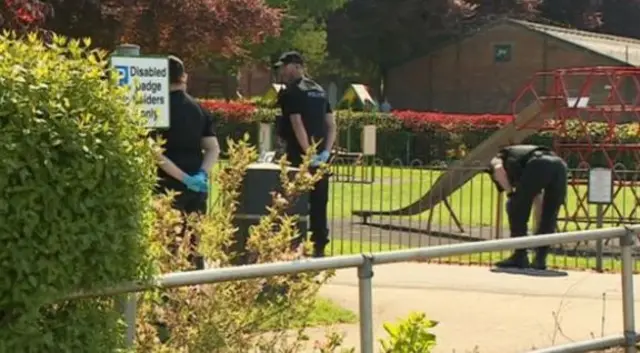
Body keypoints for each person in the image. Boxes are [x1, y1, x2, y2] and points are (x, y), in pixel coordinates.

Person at [152, 55, 220, 270]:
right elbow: (213, 148)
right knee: (194, 244)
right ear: (184, 77)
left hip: (166, 186)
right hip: (197, 189)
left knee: (168, 243)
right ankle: (194, 291)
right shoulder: (199, 109)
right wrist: (200, 174)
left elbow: (155, 153)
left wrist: (182, 178)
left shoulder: (155, 110)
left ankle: (167, 295)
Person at [274, 51, 337, 258]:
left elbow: (296, 123)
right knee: (319, 203)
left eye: (283, 67)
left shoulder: (292, 92)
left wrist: (307, 153)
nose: (281, 72)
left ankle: (293, 245)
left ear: (295, 66)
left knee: (294, 201)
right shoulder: (319, 90)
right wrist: (325, 151)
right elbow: (331, 125)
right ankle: (319, 246)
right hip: (320, 158)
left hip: (297, 157)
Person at [487, 144, 568, 270]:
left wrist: (510, 194)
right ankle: (540, 258)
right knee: (549, 216)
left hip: (538, 164)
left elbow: (498, 170)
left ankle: (520, 255)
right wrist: (539, 225)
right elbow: (538, 200)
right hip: (560, 165)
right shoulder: (521, 160)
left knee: (514, 208)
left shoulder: (497, 158)